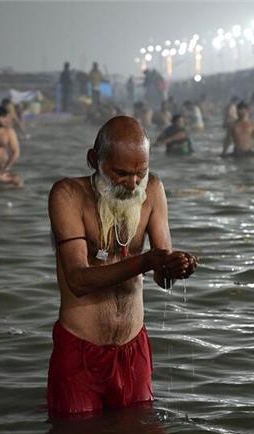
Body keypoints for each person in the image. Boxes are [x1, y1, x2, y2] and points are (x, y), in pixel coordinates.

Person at [46, 115, 198, 416]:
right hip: (80, 349)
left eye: (140, 173)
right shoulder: (68, 195)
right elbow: (77, 280)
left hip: (133, 347)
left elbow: (162, 276)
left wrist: (177, 267)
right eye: (121, 173)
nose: (132, 184)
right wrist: (145, 261)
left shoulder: (153, 190)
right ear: (94, 160)